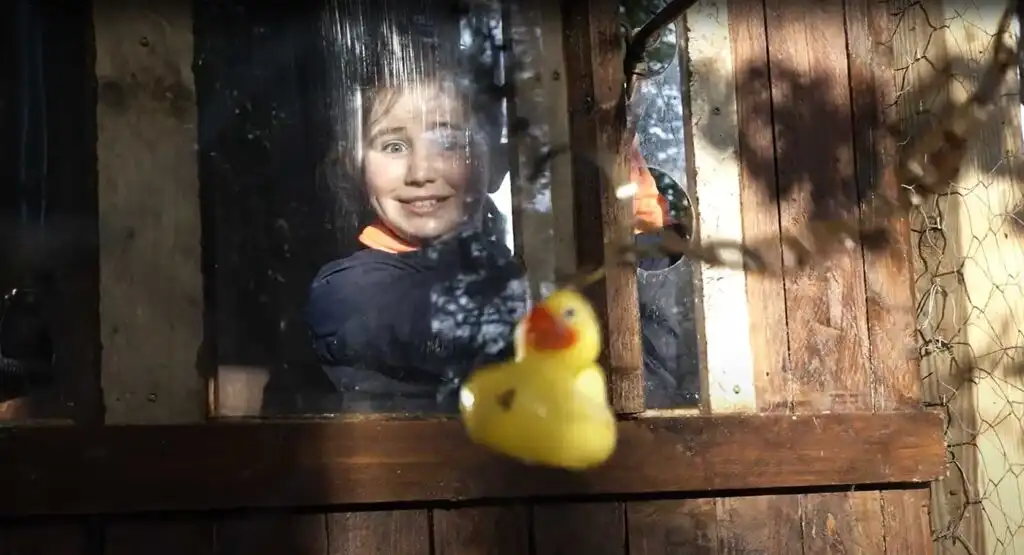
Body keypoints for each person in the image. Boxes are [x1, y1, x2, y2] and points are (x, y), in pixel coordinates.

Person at [305, 18, 694, 413]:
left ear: (486, 163)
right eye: (392, 146)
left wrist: (638, 227)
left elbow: (652, 384)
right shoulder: (347, 291)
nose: (421, 172)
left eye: (448, 142)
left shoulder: (504, 271)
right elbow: (480, 326)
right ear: (355, 168)